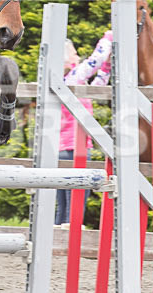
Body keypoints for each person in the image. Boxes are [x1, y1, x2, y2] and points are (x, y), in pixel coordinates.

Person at [55, 30, 113, 226]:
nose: (77, 56)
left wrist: (108, 66)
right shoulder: (73, 77)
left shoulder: (64, 82)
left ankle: (59, 237)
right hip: (75, 149)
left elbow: (99, 83)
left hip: (62, 149)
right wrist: (108, 37)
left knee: (63, 206)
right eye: (73, 53)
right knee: (76, 203)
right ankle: (71, 236)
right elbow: (96, 60)